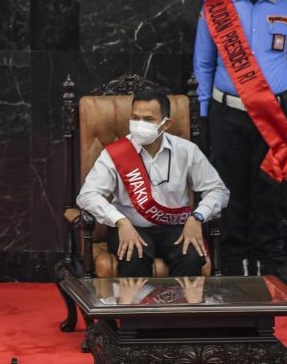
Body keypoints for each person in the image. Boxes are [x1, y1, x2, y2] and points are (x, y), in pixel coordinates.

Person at [193, 0, 287, 277]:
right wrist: (203, 115)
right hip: (226, 114)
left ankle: (271, 269)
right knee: (229, 191)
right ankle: (231, 268)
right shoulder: (215, 6)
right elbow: (202, 65)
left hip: (273, 115)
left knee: (268, 193)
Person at [77, 90, 230, 277]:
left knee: (191, 257)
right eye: (135, 117)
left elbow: (218, 190)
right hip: (131, 226)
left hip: (175, 227)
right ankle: (136, 307)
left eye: (148, 119)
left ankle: (181, 306)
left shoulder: (186, 151)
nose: (139, 124)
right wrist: (120, 221)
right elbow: (87, 195)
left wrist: (197, 217)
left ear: (165, 124)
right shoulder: (116, 154)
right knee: (133, 256)